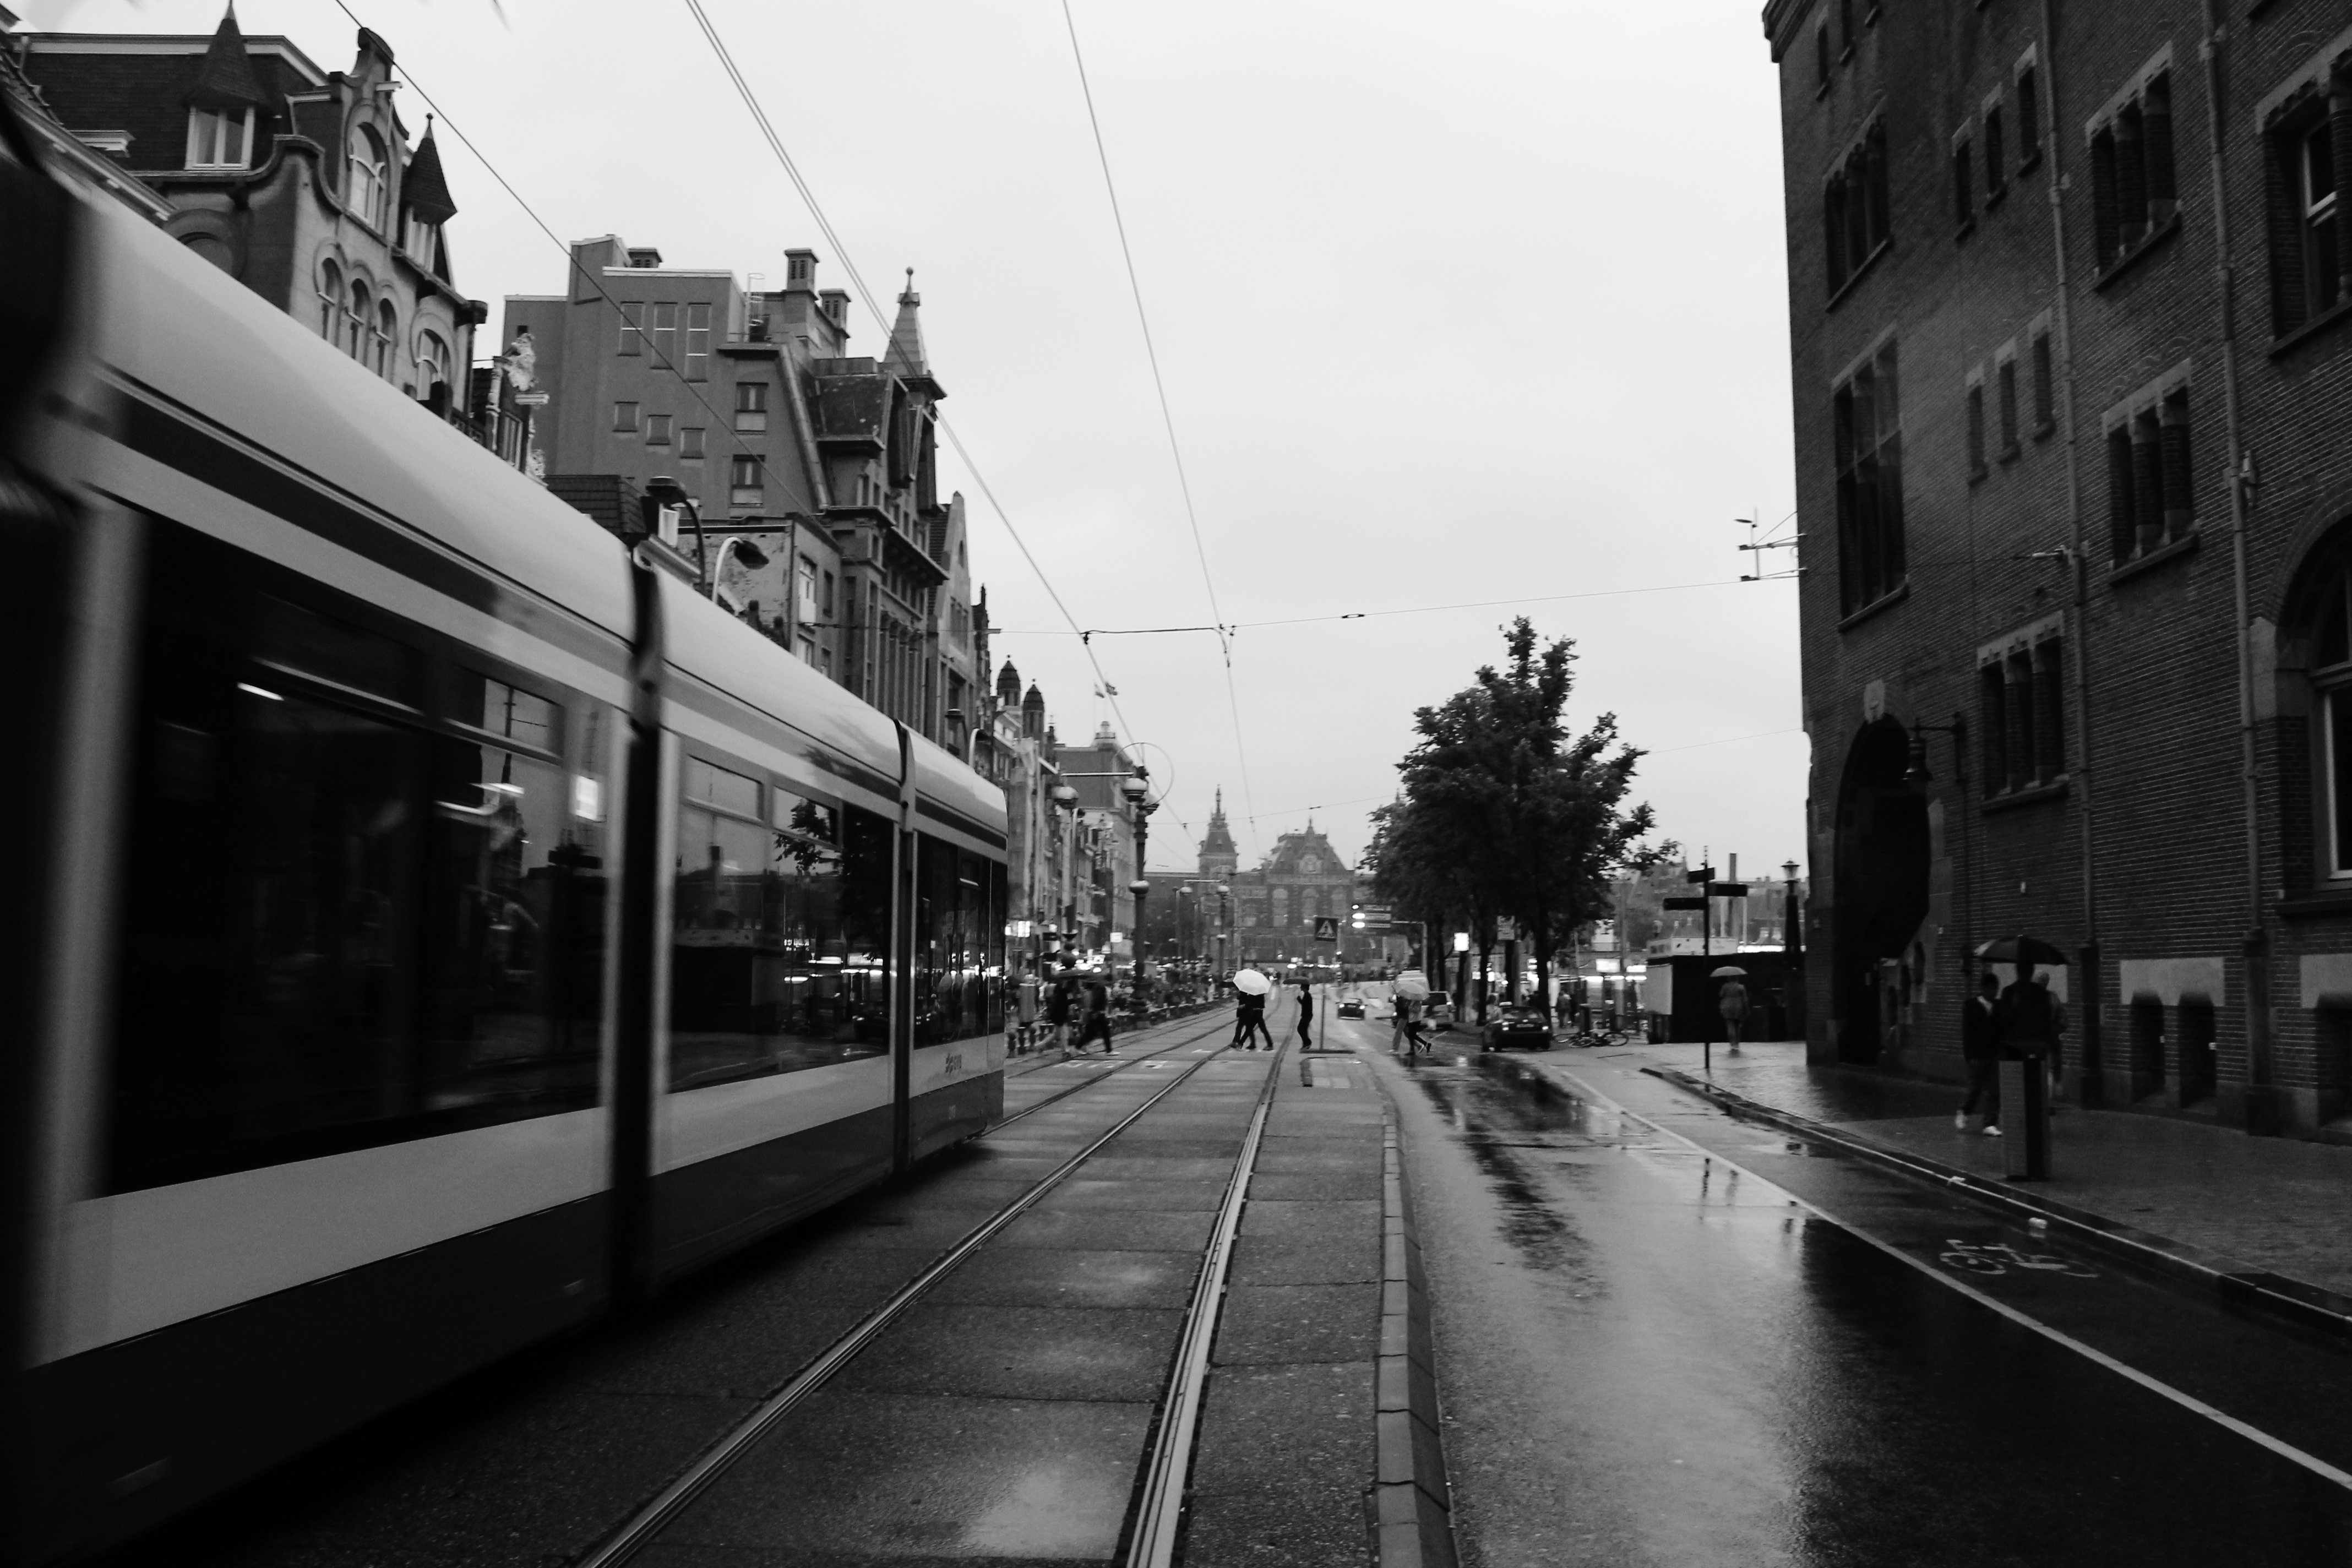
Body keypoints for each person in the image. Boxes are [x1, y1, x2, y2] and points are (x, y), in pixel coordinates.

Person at [1958, 971, 2001, 1134]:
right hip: (1978, 1054)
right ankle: (1964, 1111)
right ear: (1983, 989)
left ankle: (1990, 1122)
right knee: (1975, 1088)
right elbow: (1967, 1032)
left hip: (1994, 1052)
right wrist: (1970, 1055)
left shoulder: (1998, 1006)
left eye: (1996, 989)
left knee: (1994, 1090)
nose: (1994, 993)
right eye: (1991, 989)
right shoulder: (1972, 1006)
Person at [1075, 973, 1116, 1055]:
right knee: (1104, 1031)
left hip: (1097, 1012)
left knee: (1092, 1032)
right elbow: (1097, 1001)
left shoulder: (1098, 988)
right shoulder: (1101, 988)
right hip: (1098, 1013)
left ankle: (1079, 1047)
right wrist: (1095, 1011)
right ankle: (1109, 1050)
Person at [1232, 983, 1275, 1051]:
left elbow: (1253, 1002)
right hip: (1256, 1012)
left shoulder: (1258, 993)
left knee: (1254, 1029)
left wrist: (1244, 1006)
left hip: (1257, 1012)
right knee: (1251, 1029)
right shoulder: (1257, 992)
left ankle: (1270, 1045)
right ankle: (1241, 1044)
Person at [1718, 975, 1750, 1050]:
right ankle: (1737, 1042)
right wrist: (1747, 1010)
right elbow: (1745, 1000)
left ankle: (1732, 1042)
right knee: (1737, 1024)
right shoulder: (1741, 987)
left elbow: (1721, 995)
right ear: (1737, 978)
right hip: (1738, 1006)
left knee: (1730, 1023)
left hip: (1727, 1005)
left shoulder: (1725, 986)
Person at [1295, 979, 1315, 1050]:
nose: (1300, 987)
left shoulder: (1307, 996)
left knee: (1300, 1029)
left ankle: (1308, 1042)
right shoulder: (1307, 995)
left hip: (1306, 1016)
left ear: (1304, 987)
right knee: (1304, 1030)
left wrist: (1299, 1000)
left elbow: (1305, 1005)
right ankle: (1305, 1044)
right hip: (1307, 1015)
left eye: (1302, 986)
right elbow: (1305, 1004)